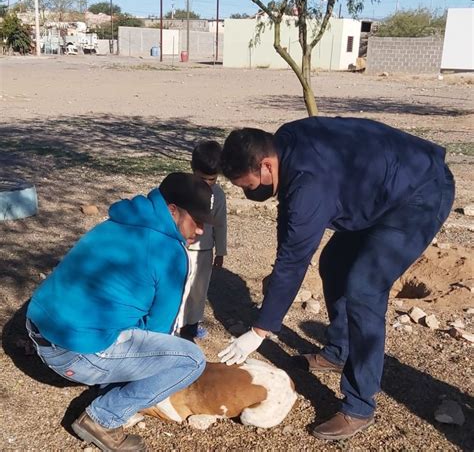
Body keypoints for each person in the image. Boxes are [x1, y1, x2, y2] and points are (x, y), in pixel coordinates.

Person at [217, 117, 455, 441]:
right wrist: (278, 274)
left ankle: (359, 405)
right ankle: (338, 352)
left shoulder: (308, 181)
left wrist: (259, 330)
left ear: (266, 166)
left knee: (364, 288)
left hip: (419, 194)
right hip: (381, 190)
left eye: (248, 185)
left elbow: (295, 257)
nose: (248, 192)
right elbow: (291, 225)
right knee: (333, 263)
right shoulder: (286, 141)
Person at [26, 172, 215, 451]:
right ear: (172, 210)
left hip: (38, 328)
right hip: (72, 353)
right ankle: (101, 417)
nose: (199, 231)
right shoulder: (170, 253)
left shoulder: (119, 221)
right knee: (190, 360)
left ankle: (105, 379)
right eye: (196, 221)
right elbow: (159, 333)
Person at [180, 141, 227, 340]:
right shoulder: (181, 189)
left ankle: (191, 327)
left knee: (199, 292)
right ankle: (175, 328)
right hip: (182, 249)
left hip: (205, 252)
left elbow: (220, 223)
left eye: (212, 179)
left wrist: (221, 251)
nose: (208, 183)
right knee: (180, 289)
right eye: (203, 178)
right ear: (193, 169)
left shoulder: (218, 195)